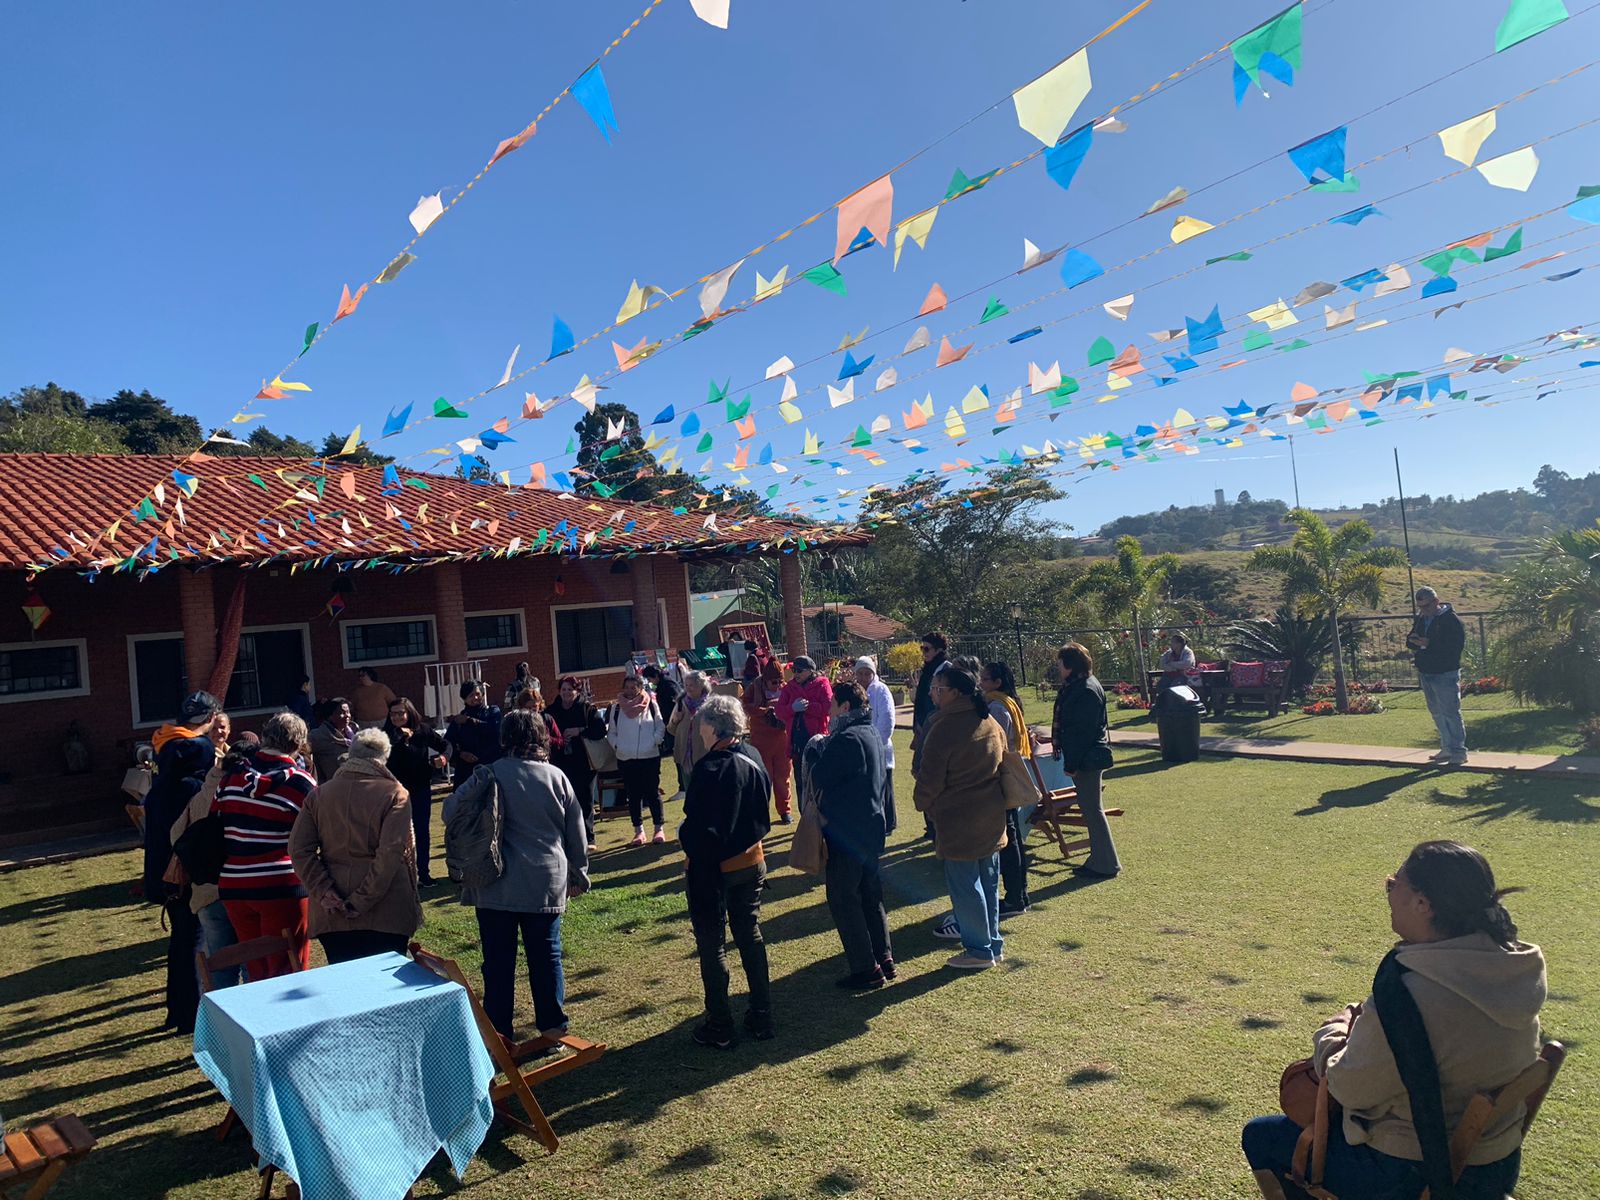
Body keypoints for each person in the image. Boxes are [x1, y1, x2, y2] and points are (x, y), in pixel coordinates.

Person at [1242, 841, 1544, 1200]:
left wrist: (1333, 1032)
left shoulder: (1410, 996)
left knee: (1261, 1135)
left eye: (1393, 884)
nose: (1388, 894)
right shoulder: (1513, 968)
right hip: (1495, 1164)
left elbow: (1347, 1086)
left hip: (1415, 1175)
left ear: (1422, 903)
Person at [443, 710, 589, 1040]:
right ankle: (553, 1030)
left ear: (504, 738)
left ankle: (499, 1035)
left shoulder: (488, 774)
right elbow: (576, 830)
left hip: (494, 882)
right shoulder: (556, 777)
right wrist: (579, 874)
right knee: (547, 958)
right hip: (544, 880)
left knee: (497, 963)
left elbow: (449, 811)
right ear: (540, 737)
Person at [680, 694, 774, 1048]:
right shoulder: (753, 756)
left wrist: (686, 842)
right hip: (752, 861)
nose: (698, 728)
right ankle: (762, 1014)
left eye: (701, 722)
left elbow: (698, 828)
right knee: (749, 935)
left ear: (713, 726)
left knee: (712, 945)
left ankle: (720, 1023)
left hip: (713, 870)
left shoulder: (709, 768)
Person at [289, 728, 422, 964]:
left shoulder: (320, 795)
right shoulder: (395, 793)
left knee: (347, 991)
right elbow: (390, 852)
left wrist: (325, 891)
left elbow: (299, 850)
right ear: (384, 758)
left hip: (333, 912)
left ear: (350, 754)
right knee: (385, 993)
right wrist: (361, 900)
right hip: (386, 908)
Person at [915, 665, 1008, 970]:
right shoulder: (989, 720)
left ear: (954, 693)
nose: (933, 694)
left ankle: (980, 951)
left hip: (960, 821)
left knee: (967, 887)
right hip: (991, 815)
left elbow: (929, 780)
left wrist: (923, 802)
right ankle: (991, 943)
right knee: (988, 883)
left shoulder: (945, 728)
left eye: (938, 689)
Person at [143, 690, 222, 1031]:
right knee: (195, 941)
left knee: (180, 941)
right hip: (189, 872)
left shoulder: (160, 778)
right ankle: (192, 1015)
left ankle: (177, 1011)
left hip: (163, 873)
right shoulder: (194, 785)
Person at [214, 711, 316, 976]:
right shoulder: (301, 783)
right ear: (298, 744)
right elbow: (319, 831)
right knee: (288, 966)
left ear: (265, 737)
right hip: (280, 883)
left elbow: (216, 822)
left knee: (256, 967)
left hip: (234, 883)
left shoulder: (230, 777)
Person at [811, 681, 893, 990]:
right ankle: (883, 957)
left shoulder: (845, 738)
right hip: (871, 828)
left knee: (844, 899)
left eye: (833, 706)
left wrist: (818, 749)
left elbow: (821, 775)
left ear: (845, 707)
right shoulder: (869, 731)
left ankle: (866, 968)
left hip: (848, 832)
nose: (830, 712)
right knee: (871, 897)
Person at [174, 726, 260, 990]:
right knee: (250, 963)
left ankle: (221, 1026)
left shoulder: (200, 795)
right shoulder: (246, 793)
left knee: (218, 966)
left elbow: (175, 834)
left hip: (206, 892)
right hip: (242, 888)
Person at [1051, 642, 1121, 878]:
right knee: (1091, 809)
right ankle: (1099, 859)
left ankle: (1106, 863)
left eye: (1060, 663)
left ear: (1070, 665)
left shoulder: (1085, 689)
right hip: (1086, 755)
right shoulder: (1080, 685)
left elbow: (1082, 731)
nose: (1058, 668)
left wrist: (1072, 764)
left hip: (1088, 757)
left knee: (1092, 810)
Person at [982, 661, 1035, 917]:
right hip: (1011, 772)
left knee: (1010, 838)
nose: (981, 684)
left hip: (1004, 775)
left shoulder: (997, 706)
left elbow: (997, 741)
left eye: (985, 679)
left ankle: (1015, 897)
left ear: (997, 683)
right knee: (1013, 837)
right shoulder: (1010, 702)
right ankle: (1019, 894)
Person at [381, 697, 449, 886]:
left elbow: (445, 745)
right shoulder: (385, 735)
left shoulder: (422, 730)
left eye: (400, 713)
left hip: (420, 789)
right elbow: (383, 755)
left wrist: (443, 758)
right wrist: (401, 738)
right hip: (394, 792)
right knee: (396, 834)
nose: (396, 717)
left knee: (421, 831)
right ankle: (401, 876)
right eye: (392, 713)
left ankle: (424, 874)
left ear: (409, 712)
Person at [1409, 586, 1469, 766]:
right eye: (1420, 607)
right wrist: (1417, 642)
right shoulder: (1421, 619)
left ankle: (1459, 751)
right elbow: (1410, 639)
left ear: (1436, 602)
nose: (1423, 611)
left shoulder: (1451, 620)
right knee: (1436, 712)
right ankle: (1447, 747)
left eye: (1426, 606)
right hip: (1427, 671)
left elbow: (1454, 647)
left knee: (1451, 712)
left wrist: (1429, 644)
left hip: (1445, 672)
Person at [607, 674, 667, 846]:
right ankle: (638, 831)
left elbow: (660, 726)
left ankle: (658, 829)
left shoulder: (651, 705)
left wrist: (655, 740)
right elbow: (611, 732)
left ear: (640, 688)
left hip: (649, 757)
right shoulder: (616, 708)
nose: (630, 691)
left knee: (652, 792)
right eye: (627, 687)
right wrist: (618, 746)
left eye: (633, 687)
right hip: (626, 758)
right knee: (633, 795)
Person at [549, 676, 606, 851]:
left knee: (585, 800)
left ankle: (588, 838)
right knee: (562, 800)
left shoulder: (587, 709)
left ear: (577, 691)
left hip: (583, 762)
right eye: (563, 689)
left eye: (570, 689)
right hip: (559, 762)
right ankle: (566, 838)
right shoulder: (551, 711)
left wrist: (579, 731)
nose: (566, 693)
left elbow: (600, 730)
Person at [741, 657, 793, 823]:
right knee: (764, 777)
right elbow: (745, 705)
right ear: (765, 679)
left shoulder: (786, 689)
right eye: (774, 682)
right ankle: (761, 812)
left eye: (780, 681)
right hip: (761, 739)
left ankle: (785, 811)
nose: (777, 685)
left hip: (782, 739)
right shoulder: (754, 688)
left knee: (783, 777)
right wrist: (764, 711)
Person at [775, 656, 832, 801]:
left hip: (817, 742)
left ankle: (819, 818)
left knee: (819, 782)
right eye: (794, 670)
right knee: (800, 783)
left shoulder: (822, 684)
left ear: (810, 671)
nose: (796, 674)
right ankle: (804, 817)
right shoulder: (789, 688)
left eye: (799, 670)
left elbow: (828, 708)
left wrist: (807, 707)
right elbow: (779, 711)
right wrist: (792, 708)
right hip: (797, 744)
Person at [853, 657, 898, 835]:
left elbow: (887, 720)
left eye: (867, 673)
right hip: (864, 747)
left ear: (873, 674)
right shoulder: (855, 691)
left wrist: (877, 743)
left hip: (880, 747)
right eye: (860, 673)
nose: (864, 677)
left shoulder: (881, 690)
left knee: (885, 786)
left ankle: (889, 823)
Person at [909, 630, 950, 776]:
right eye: (922, 648)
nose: (923, 652)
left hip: (938, 726)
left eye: (927, 649)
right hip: (925, 724)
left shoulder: (946, 670)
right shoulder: (928, 669)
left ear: (938, 650)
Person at [447, 679, 502, 785]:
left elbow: (494, 730)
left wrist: (470, 721)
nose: (475, 698)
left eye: (477, 694)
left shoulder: (492, 712)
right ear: (464, 698)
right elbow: (447, 743)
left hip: (490, 767)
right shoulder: (459, 720)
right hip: (467, 772)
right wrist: (460, 754)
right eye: (471, 695)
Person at [642, 664, 683, 800]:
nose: (650, 682)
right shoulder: (666, 684)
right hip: (672, 724)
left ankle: (683, 787)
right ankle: (683, 786)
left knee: (679, 756)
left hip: (675, 725)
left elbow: (675, 705)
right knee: (678, 756)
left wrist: (672, 722)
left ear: (654, 676)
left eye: (650, 678)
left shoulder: (667, 685)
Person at [668, 669, 713, 786]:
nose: (688, 688)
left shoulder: (711, 704)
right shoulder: (680, 703)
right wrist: (675, 720)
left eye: (691, 685)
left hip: (705, 756)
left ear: (701, 685)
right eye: (686, 685)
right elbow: (671, 730)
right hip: (685, 757)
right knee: (690, 794)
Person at [308, 697, 354, 783]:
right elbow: (302, 751)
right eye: (342, 713)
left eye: (348, 712)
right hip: (333, 786)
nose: (347, 715)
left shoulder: (355, 734)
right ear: (330, 716)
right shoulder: (319, 735)